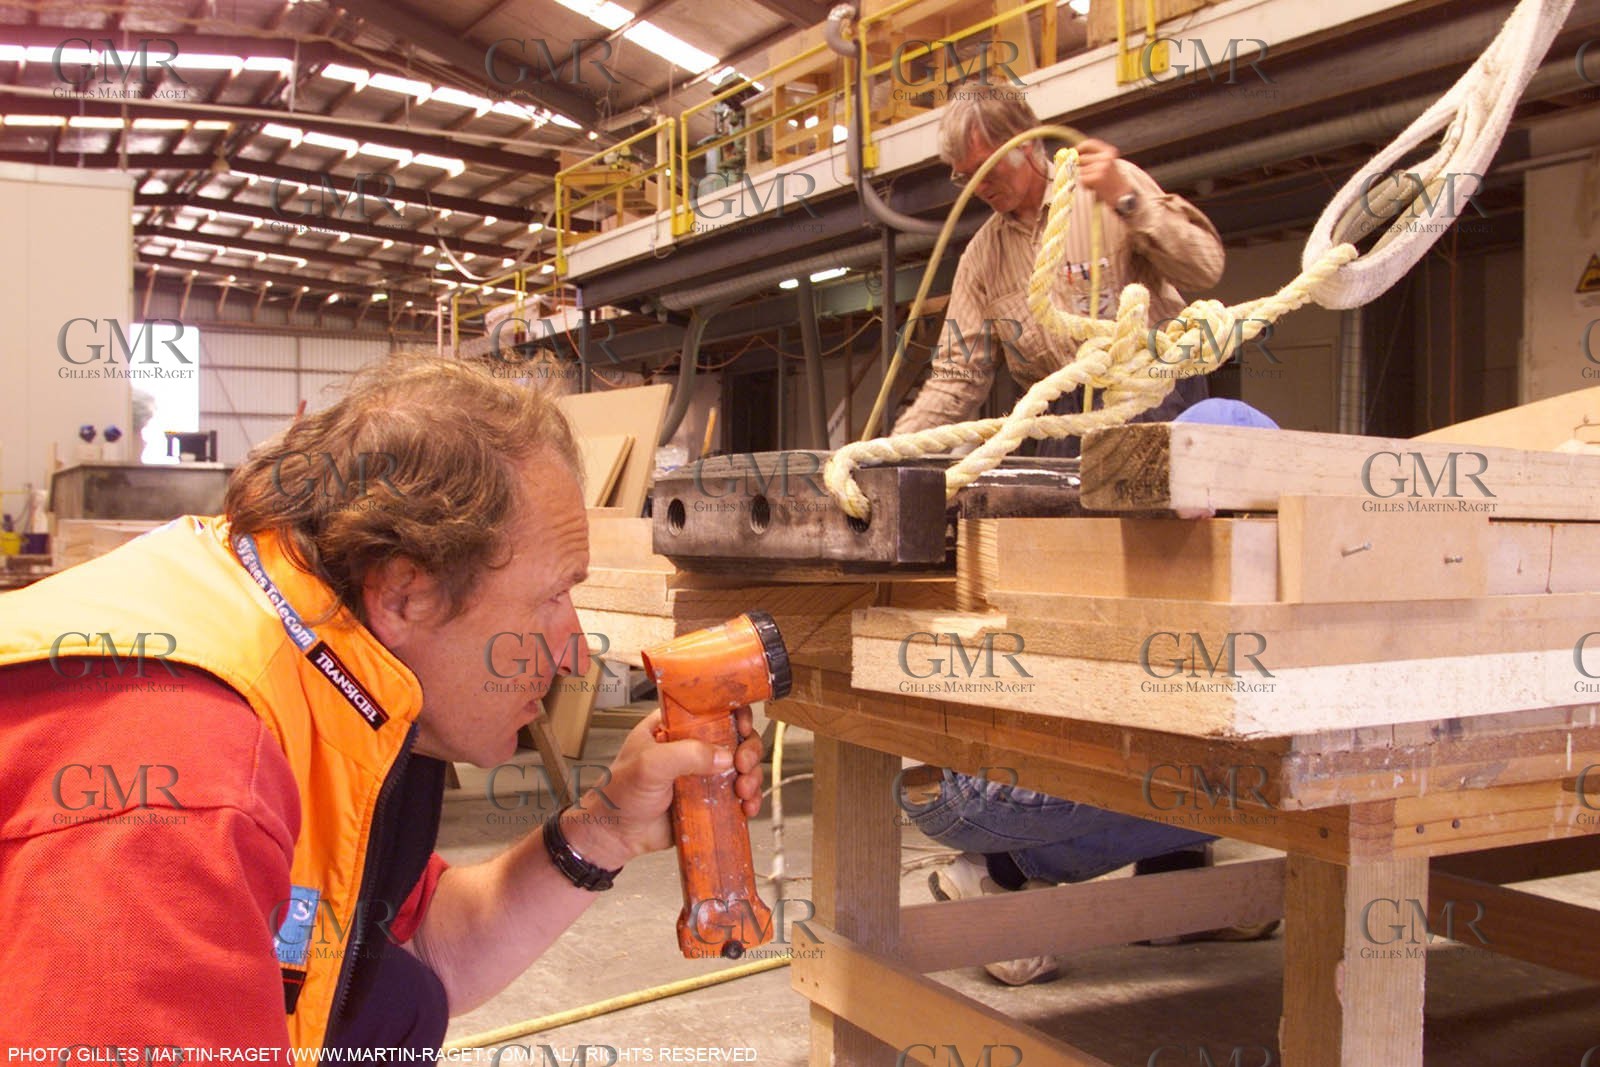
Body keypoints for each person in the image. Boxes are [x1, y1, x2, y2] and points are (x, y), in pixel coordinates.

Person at [0, 357, 766, 1054]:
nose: (572, 652)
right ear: (406, 592)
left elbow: (416, 947)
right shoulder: (183, 786)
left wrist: (606, 825)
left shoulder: (337, 672)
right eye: (552, 596)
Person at [902, 400, 1284, 987]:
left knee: (1247, 745)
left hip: (978, 784)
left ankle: (1171, 889)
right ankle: (1000, 873)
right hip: (979, 787)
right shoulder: (1151, 556)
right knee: (1254, 766)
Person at [893, 83, 1226, 454]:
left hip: (1152, 394)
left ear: (1025, 142)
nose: (979, 187)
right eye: (966, 176)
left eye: (987, 169)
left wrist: (1129, 203)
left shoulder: (1108, 193)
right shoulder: (982, 259)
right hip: (1059, 424)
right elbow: (957, 377)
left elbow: (1205, 268)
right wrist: (885, 451)